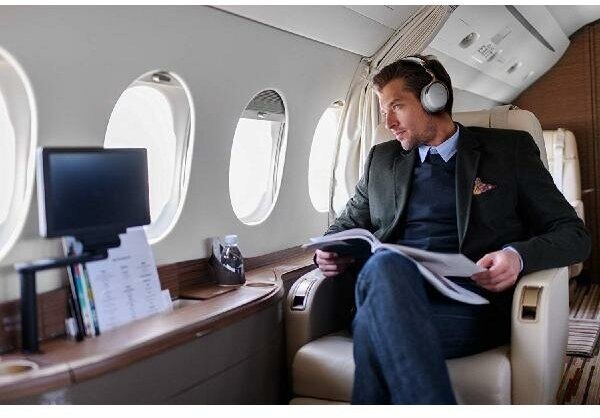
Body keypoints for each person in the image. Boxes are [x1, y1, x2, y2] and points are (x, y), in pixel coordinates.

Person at [314, 55, 591, 404]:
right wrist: (327, 251)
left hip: (468, 306)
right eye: (384, 111)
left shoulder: (508, 151)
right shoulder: (381, 160)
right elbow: (344, 226)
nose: (388, 122)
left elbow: (574, 234)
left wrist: (516, 257)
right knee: (385, 265)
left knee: (375, 325)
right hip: (390, 291)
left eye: (396, 106)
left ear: (434, 98)